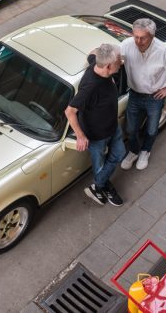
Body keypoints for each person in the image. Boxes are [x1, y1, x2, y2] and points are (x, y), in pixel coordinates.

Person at [120, 18, 166, 170]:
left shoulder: (162, 50)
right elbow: (113, 58)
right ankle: (134, 151)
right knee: (130, 130)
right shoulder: (126, 45)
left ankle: (145, 151)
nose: (138, 41)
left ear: (152, 36)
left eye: (142, 37)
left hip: (154, 97)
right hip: (135, 95)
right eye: (135, 36)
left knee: (151, 130)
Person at [65, 43, 125, 207]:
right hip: (96, 136)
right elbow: (69, 111)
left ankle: (98, 186)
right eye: (119, 61)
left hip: (112, 127)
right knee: (99, 166)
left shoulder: (95, 63)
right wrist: (80, 136)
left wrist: (104, 50)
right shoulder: (91, 87)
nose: (121, 62)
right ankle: (101, 186)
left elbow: (92, 52)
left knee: (119, 155)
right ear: (108, 66)